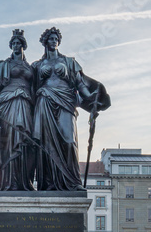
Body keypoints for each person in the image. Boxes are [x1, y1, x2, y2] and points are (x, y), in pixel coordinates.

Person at [31, 27, 110, 191]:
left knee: (68, 140)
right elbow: (28, 85)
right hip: (44, 100)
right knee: (45, 144)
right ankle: (48, 183)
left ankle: (72, 182)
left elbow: (80, 84)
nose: (54, 42)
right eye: (51, 39)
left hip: (66, 101)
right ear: (45, 42)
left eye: (56, 39)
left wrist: (90, 99)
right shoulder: (37, 65)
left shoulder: (69, 62)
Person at [0, 29, 37, 191]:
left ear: (23, 46)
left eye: (19, 43)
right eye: (13, 43)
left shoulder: (31, 68)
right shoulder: (4, 66)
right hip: (8, 105)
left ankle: (23, 181)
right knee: (9, 143)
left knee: (25, 141)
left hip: (26, 105)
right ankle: (8, 181)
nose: (16, 46)